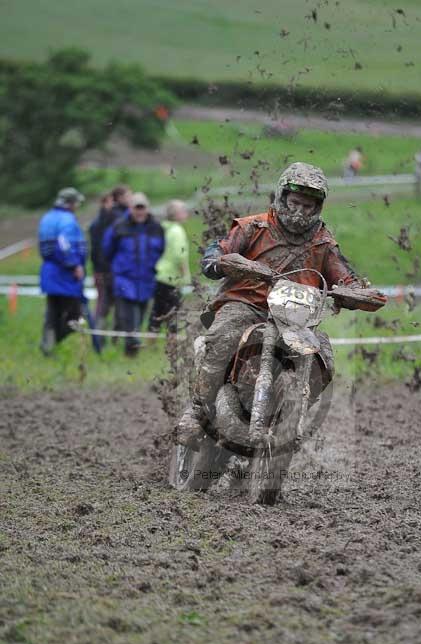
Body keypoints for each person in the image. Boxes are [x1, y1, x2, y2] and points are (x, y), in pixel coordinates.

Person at [175, 162, 367, 446]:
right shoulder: (252, 227)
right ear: (282, 197)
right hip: (246, 304)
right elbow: (216, 253)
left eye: (308, 206)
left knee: (322, 356)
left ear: (319, 208)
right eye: (296, 202)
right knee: (223, 334)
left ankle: (292, 418)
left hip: (296, 318)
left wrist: (358, 293)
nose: (301, 211)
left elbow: (345, 277)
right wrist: (222, 262)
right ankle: (198, 411)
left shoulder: (324, 243)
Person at [103, 192, 165, 356]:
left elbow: (161, 250)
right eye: (136, 208)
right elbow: (107, 250)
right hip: (125, 278)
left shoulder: (156, 227)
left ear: (147, 209)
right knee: (128, 317)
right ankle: (131, 353)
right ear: (130, 209)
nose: (139, 212)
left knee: (141, 316)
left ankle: (128, 349)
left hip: (146, 279)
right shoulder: (119, 226)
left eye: (142, 208)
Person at [38, 187, 87, 355]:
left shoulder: (47, 218)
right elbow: (64, 243)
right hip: (64, 274)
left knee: (53, 312)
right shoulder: (67, 220)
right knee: (76, 316)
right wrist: (75, 265)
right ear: (70, 203)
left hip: (49, 271)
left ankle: (48, 344)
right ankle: (50, 343)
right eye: (76, 203)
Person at [148, 200, 191, 332]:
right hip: (172, 277)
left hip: (161, 274)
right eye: (183, 210)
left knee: (157, 311)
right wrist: (185, 274)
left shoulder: (165, 227)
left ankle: (151, 340)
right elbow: (180, 255)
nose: (186, 213)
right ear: (176, 214)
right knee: (173, 312)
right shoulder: (177, 231)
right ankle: (173, 341)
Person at [88, 191, 114, 332]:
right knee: (102, 304)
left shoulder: (108, 221)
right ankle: (96, 333)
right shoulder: (99, 224)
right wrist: (100, 270)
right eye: (111, 201)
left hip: (106, 269)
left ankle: (101, 332)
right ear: (104, 203)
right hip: (103, 270)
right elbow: (97, 250)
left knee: (107, 304)